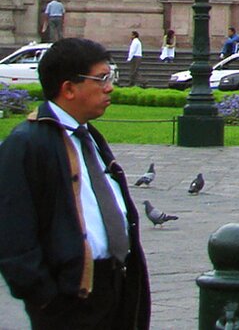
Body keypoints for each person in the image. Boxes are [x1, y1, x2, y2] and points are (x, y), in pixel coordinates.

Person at [0, 36, 151, 328]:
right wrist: (45, 299)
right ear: (68, 88)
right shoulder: (27, 145)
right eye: (101, 79)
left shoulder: (89, 135)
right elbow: (13, 235)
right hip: (68, 300)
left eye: (111, 77)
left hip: (116, 286)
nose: (110, 87)